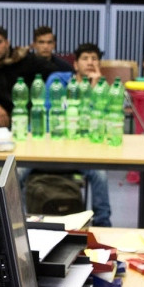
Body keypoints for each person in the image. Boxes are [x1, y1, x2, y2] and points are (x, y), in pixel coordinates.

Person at [35, 43, 113, 226]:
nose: (90, 63)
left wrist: (93, 89)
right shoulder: (57, 81)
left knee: (99, 174)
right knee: (19, 169)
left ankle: (103, 224)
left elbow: (102, 123)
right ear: (76, 65)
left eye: (94, 59)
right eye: (85, 58)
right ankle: (13, 223)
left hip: (82, 149)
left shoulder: (102, 89)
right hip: (51, 145)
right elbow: (46, 112)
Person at [0, 25, 52, 131]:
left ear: (7, 43)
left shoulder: (23, 59)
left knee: (37, 128)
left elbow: (55, 72)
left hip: (25, 113)